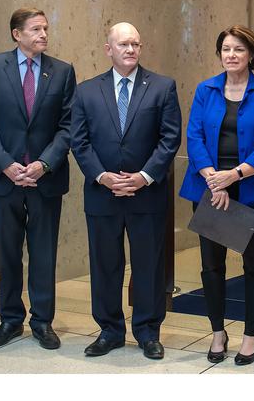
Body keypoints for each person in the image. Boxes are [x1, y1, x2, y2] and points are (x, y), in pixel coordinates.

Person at [70, 22, 181, 360]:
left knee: (148, 265)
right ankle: (109, 331)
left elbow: (170, 138)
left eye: (135, 44)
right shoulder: (87, 91)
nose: (131, 49)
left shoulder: (162, 87)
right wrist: (102, 176)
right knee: (105, 264)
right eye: (123, 44)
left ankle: (148, 332)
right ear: (109, 50)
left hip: (146, 194)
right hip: (102, 194)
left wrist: (145, 176)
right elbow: (80, 141)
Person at [178, 26, 254, 366]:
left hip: (248, 187)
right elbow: (193, 137)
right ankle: (218, 332)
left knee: (252, 266)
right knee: (211, 265)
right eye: (225, 49)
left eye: (238, 49)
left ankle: (251, 335)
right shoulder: (206, 90)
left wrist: (233, 176)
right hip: (209, 188)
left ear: (251, 54)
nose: (231, 55)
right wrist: (213, 179)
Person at [0, 8, 76, 350]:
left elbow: (68, 126)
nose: (44, 34)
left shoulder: (62, 72)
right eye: (36, 29)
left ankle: (42, 321)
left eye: (46, 28)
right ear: (17, 34)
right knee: (7, 254)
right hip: (4, 179)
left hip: (44, 179)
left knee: (43, 253)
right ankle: (10, 320)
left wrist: (44, 164)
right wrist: (6, 165)